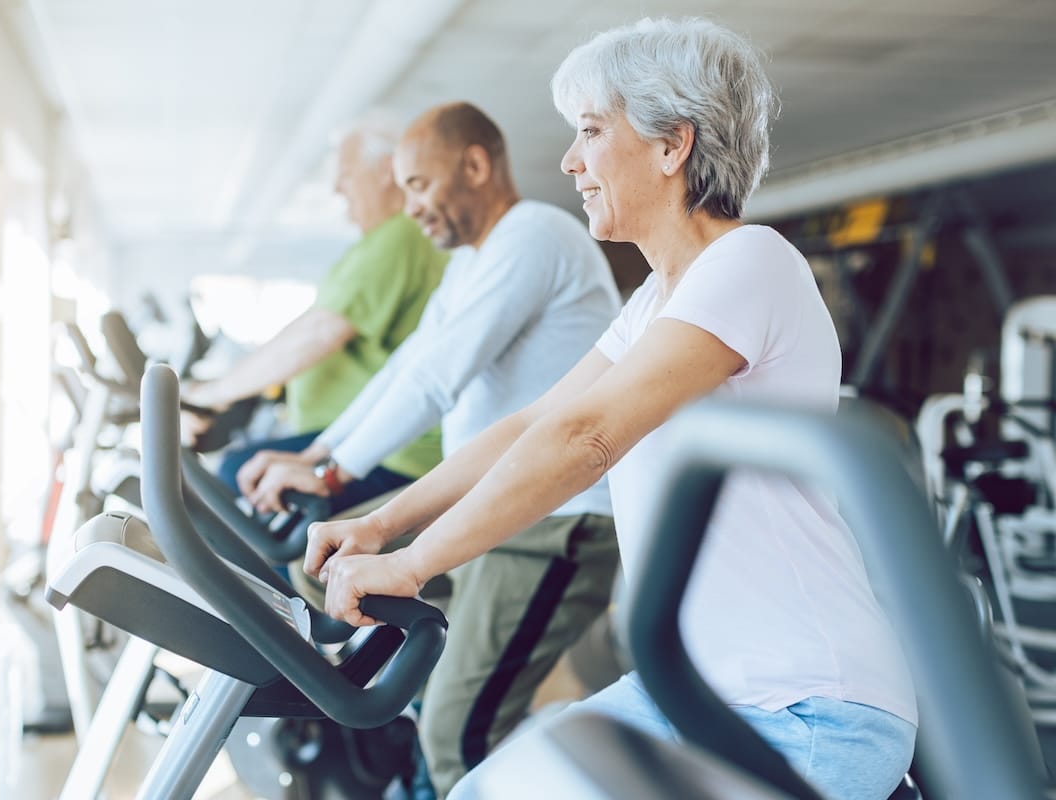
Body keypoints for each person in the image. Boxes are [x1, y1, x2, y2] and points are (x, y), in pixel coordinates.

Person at [306, 18, 918, 800]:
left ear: (673, 145)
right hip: (697, 695)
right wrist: (384, 524)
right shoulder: (655, 302)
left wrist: (414, 565)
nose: (570, 162)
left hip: (806, 706)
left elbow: (588, 437)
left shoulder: (750, 262)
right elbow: (529, 424)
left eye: (591, 131)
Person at [241, 102, 622, 798]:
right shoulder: (471, 262)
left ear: (475, 166)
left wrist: (331, 471)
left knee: (456, 735)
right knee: (326, 568)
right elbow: (406, 365)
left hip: (558, 523)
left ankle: (445, 758)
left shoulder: (534, 235)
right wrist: (319, 454)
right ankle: (416, 746)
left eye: (419, 184)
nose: (410, 206)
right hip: (492, 506)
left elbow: (436, 379)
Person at [181, 114, 447, 513]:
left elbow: (320, 333)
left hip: (397, 452)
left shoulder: (401, 236)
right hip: (354, 433)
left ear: (387, 171)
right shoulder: (382, 241)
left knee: (239, 472)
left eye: (347, 174)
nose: (337, 189)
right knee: (245, 473)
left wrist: (214, 396)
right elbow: (311, 326)